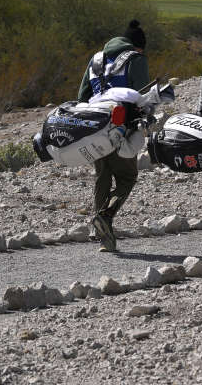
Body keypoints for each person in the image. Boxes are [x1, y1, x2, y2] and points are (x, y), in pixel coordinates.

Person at [77, 21, 148, 252]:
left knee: (103, 177)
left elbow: (82, 96)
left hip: (95, 126)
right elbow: (143, 95)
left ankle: (104, 238)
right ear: (138, 46)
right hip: (121, 126)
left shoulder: (96, 59)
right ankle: (105, 216)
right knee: (127, 177)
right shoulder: (135, 59)